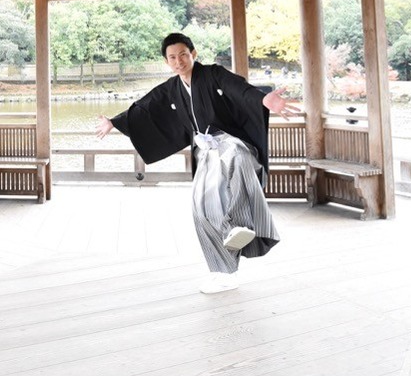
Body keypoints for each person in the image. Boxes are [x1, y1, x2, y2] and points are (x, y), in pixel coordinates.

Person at [96, 32, 300, 294]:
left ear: (193, 54)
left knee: (236, 159)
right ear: (167, 62)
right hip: (205, 151)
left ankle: (241, 224)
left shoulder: (214, 74)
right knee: (202, 208)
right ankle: (223, 272)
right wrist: (115, 121)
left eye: (183, 54)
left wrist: (264, 99)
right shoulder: (172, 88)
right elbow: (146, 105)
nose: (178, 60)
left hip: (230, 140)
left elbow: (240, 89)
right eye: (172, 57)